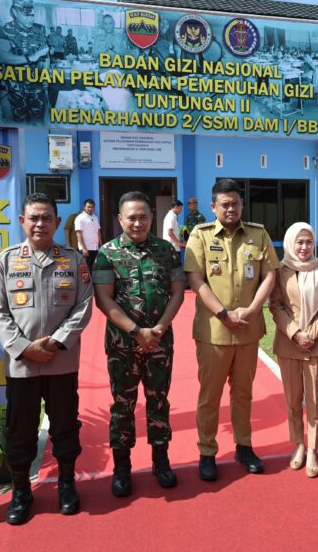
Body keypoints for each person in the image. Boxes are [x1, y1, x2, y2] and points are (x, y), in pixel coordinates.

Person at [0, 193, 94, 524]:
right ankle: (21, 491)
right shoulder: (4, 262)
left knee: (65, 426)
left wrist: (58, 342)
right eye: (33, 218)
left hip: (62, 363)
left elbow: (84, 304)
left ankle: (66, 484)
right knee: (20, 430)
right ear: (22, 221)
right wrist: (23, 347)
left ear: (57, 222)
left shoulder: (74, 261)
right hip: (22, 365)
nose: (40, 224)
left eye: (47, 218)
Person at [184, 179, 280, 481]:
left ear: (242, 204)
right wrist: (223, 314)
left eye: (235, 203)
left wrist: (252, 310)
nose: (230, 208)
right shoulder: (200, 235)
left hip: (247, 330)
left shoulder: (258, 234)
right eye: (224, 204)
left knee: (243, 394)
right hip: (214, 331)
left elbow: (269, 275)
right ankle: (207, 451)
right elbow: (196, 280)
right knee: (209, 396)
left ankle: (244, 446)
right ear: (213, 207)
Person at [93, 191, 186, 497]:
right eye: (131, 217)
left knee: (159, 401)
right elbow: (103, 299)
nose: (137, 223)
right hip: (122, 346)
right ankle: (122, 467)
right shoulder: (107, 253)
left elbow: (177, 292)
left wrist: (158, 329)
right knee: (123, 405)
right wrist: (136, 331)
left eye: (143, 217)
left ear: (151, 218)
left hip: (160, 342)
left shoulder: (166, 250)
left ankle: (161, 461)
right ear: (120, 219)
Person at [268, 222, 318, 478]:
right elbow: (275, 305)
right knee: (293, 400)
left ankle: (314, 449)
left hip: (317, 343)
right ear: (290, 243)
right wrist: (296, 332)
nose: (304, 247)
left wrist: (311, 334)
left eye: (309, 242)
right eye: (299, 242)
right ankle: (298, 445)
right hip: (288, 343)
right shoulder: (280, 270)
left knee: (315, 401)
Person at [0, 0, 50, 123]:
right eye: (26, 15)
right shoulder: (5, 30)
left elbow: (45, 55)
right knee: (20, 121)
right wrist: (30, 58)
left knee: (39, 120)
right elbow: (1, 55)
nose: (31, 19)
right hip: (16, 88)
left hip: (37, 85)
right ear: (15, 12)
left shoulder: (39, 30)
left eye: (33, 15)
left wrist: (45, 75)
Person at [74, 199, 102, 272]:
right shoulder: (80, 218)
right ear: (84, 207)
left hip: (95, 248)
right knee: (86, 269)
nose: (90, 209)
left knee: (94, 268)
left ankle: (92, 280)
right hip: (86, 248)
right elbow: (78, 233)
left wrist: (101, 246)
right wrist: (84, 248)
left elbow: (98, 232)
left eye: (92, 207)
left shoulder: (95, 217)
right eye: (88, 207)